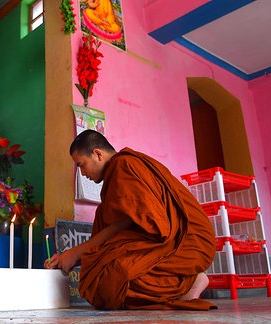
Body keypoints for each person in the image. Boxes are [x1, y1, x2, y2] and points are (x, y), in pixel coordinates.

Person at [45, 130, 217, 310]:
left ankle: (190, 281)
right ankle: (181, 286)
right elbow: (114, 239)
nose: (82, 173)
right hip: (163, 241)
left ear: (97, 154)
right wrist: (70, 257)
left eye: (82, 165)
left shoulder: (124, 165)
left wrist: (75, 254)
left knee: (109, 281)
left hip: (187, 241)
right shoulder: (115, 175)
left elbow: (128, 222)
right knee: (102, 275)